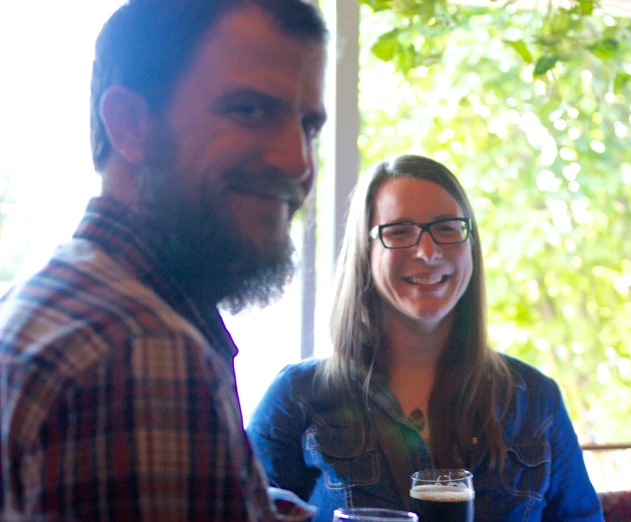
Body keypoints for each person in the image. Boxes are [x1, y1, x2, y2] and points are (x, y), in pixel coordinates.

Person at [0, 0, 327, 520]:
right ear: (130, 124)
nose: (298, 161)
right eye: (249, 110)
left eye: (309, 126)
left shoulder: (43, 301)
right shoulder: (141, 350)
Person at [247, 155, 604, 521]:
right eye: (399, 231)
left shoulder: (537, 401)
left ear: (471, 244)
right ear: (364, 252)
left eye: (447, 228)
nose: (428, 252)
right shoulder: (295, 398)